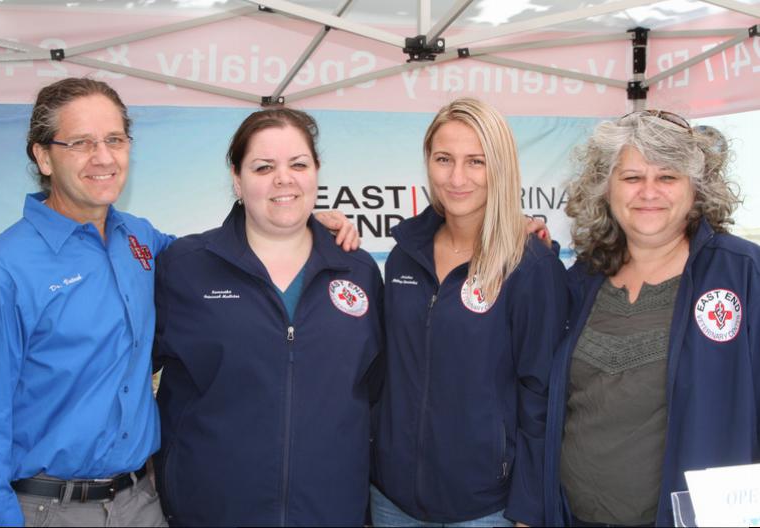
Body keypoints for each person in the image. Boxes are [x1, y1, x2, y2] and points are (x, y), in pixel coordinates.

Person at [0, 78, 358, 527]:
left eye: (115, 140)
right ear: (43, 156)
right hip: (47, 509)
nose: (103, 157)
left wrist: (298, 221)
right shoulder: (2, 270)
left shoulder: (139, 239)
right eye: (81, 143)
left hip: (140, 503)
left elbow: (224, 257)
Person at [152, 107, 384, 526]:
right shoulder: (185, 266)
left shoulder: (360, 271)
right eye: (263, 167)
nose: (284, 179)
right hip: (211, 514)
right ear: (237, 180)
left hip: (330, 513)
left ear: (316, 173)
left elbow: (377, 392)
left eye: (299, 164)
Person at [543, 110, 759, 527]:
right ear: (606, 188)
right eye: (631, 177)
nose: (648, 191)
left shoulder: (742, 273)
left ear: (696, 189)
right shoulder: (581, 282)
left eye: (667, 177)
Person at [370, 98, 569, 527]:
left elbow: (542, 393)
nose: (457, 177)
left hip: (485, 507)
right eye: (444, 159)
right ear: (428, 162)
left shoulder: (530, 265)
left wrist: (529, 506)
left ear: (499, 167)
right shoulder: (405, 254)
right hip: (392, 498)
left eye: (475, 161)